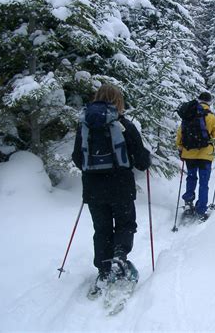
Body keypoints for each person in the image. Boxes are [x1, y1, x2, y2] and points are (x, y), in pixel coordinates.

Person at [72, 84, 151, 283]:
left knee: (102, 229)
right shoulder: (124, 125)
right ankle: (119, 256)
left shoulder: (84, 126)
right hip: (121, 186)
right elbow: (141, 161)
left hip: (93, 189)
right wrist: (145, 159)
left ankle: (104, 268)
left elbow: (77, 158)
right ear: (119, 101)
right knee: (125, 224)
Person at [176, 92, 215, 222]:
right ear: (210, 102)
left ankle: (188, 204)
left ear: (198, 100)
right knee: (204, 182)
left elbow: (180, 133)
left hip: (189, 154)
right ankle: (201, 210)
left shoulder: (188, 115)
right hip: (205, 155)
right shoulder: (211, 117)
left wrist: (180, 149)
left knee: (191, 178)